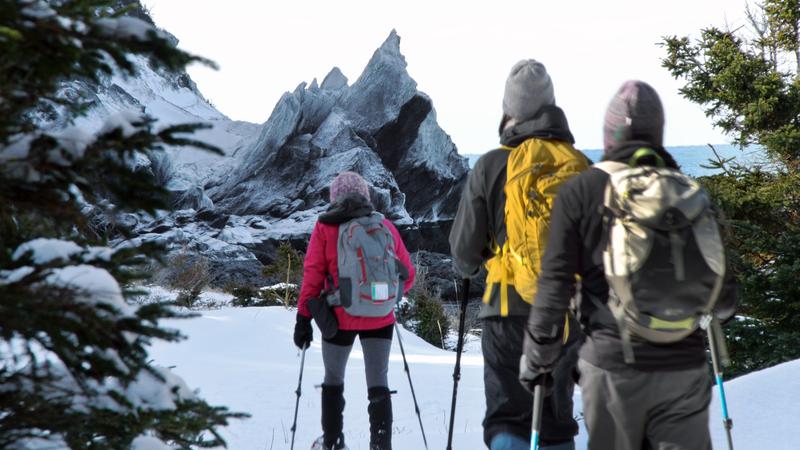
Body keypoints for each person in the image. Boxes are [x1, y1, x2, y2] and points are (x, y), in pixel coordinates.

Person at [519, 80, 738, 450]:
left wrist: (538, 358)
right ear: (658, 133)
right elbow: (726, 297)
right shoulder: (687, 192)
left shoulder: (580, 191)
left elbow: (554, 286)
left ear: (610, 134)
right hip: (683, 368)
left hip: (611, 367)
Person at [449, 59, 586, 450]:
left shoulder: (491, 165)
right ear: (552, 105)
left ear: (508, 109)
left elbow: (463, 254)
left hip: (506, 310)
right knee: (556, 421)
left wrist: (475, 263)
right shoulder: (579, 166)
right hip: (563, 314)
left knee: (509, 416)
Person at [293, 171, 415, 450]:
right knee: (378, 383)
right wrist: (383, 298)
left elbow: (312, 275)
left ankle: (333, 442)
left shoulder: (325, 227)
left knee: (333, 380)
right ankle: (380, 444)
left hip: (339, 318)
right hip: (381, 318)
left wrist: (304, 317)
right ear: (365, 196)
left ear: (334, 197)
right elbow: (407, 275)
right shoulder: (383, 225)